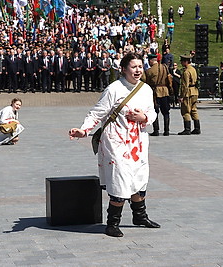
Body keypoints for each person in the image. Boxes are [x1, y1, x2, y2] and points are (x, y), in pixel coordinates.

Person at [68, 53, 160, 238]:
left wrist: (144, 118)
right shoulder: (114, 89)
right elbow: (97, 114)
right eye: (133, 67)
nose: (137, 70)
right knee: (120, 179)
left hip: (138, 142)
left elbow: (152, 112)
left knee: (139, 177)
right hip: (116, 142)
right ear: (123, 69)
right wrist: (83, 130)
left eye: (140, 67)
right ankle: (112, 223)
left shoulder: (146, 89)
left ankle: (140, 216)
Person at [144, 54, 172, 136]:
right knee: (166, 112)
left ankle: (156, 130)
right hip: (165, 91)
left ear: (151, 61)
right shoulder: (165, 67)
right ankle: (166, 130)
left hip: (155, 92)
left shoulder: (149, 71)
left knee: (155, 111)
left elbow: (147, 82)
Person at [178, 55, 200, 135]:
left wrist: (182, 96)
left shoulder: (186, 71)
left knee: (185, 111)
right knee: (194, 110)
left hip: (188, 93)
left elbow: (185, 85)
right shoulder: (193, 69)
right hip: (194, 91)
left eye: (182, 61)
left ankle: (187, 129)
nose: (181, 62)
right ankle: (197, 128)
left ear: (186, 62)